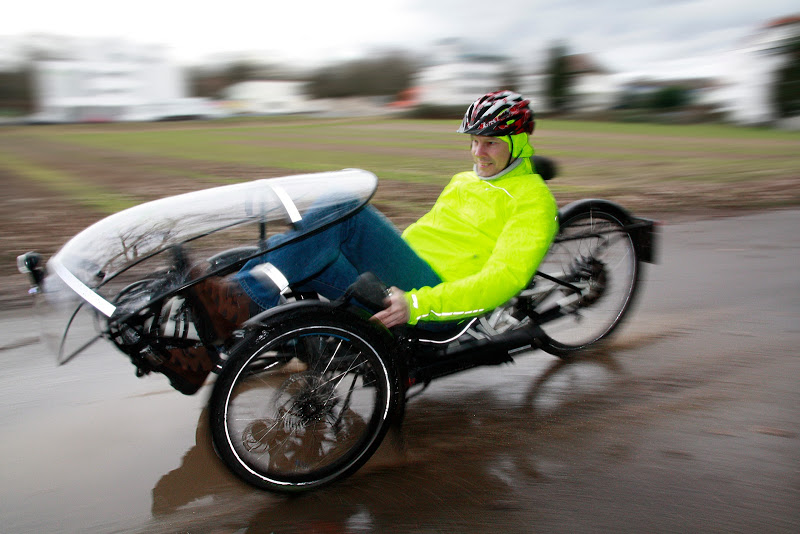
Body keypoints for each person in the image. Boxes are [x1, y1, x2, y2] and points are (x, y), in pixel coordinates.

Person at [191, 90, 559, 342]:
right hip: (404, 274)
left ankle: (238, 301)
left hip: (432, 299)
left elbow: (503, 279)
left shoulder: (533, 201)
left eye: (490, 142)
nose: (478, 152)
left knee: (344, 210)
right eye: (474, 141)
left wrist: (418, 305)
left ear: (518, 144)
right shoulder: (465, 180)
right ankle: (213, 336)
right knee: (308, 245)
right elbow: (431, 232)